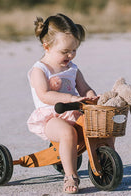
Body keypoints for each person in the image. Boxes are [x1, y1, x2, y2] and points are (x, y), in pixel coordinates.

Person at [27, 13, 98, 194]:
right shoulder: (40, 69)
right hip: (51, 117)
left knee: (96, 126)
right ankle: (71, 176)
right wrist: (70, 99)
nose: (70, 55)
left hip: (72, 112)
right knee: (67, 132)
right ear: (47, 46)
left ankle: (102, 160)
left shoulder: (72, 69)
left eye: (74, 50)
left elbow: (84, 88)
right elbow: (45, 95)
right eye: (65, 51)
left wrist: (93, 97)